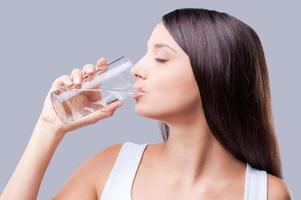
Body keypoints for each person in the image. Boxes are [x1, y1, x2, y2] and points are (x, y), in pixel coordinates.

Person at [1, 8, 291, 200]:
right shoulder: (111, 166)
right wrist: (49, 126)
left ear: (212, 74)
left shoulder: (266, 193)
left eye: (161, 57)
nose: (137, 67)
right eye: (145, 53)